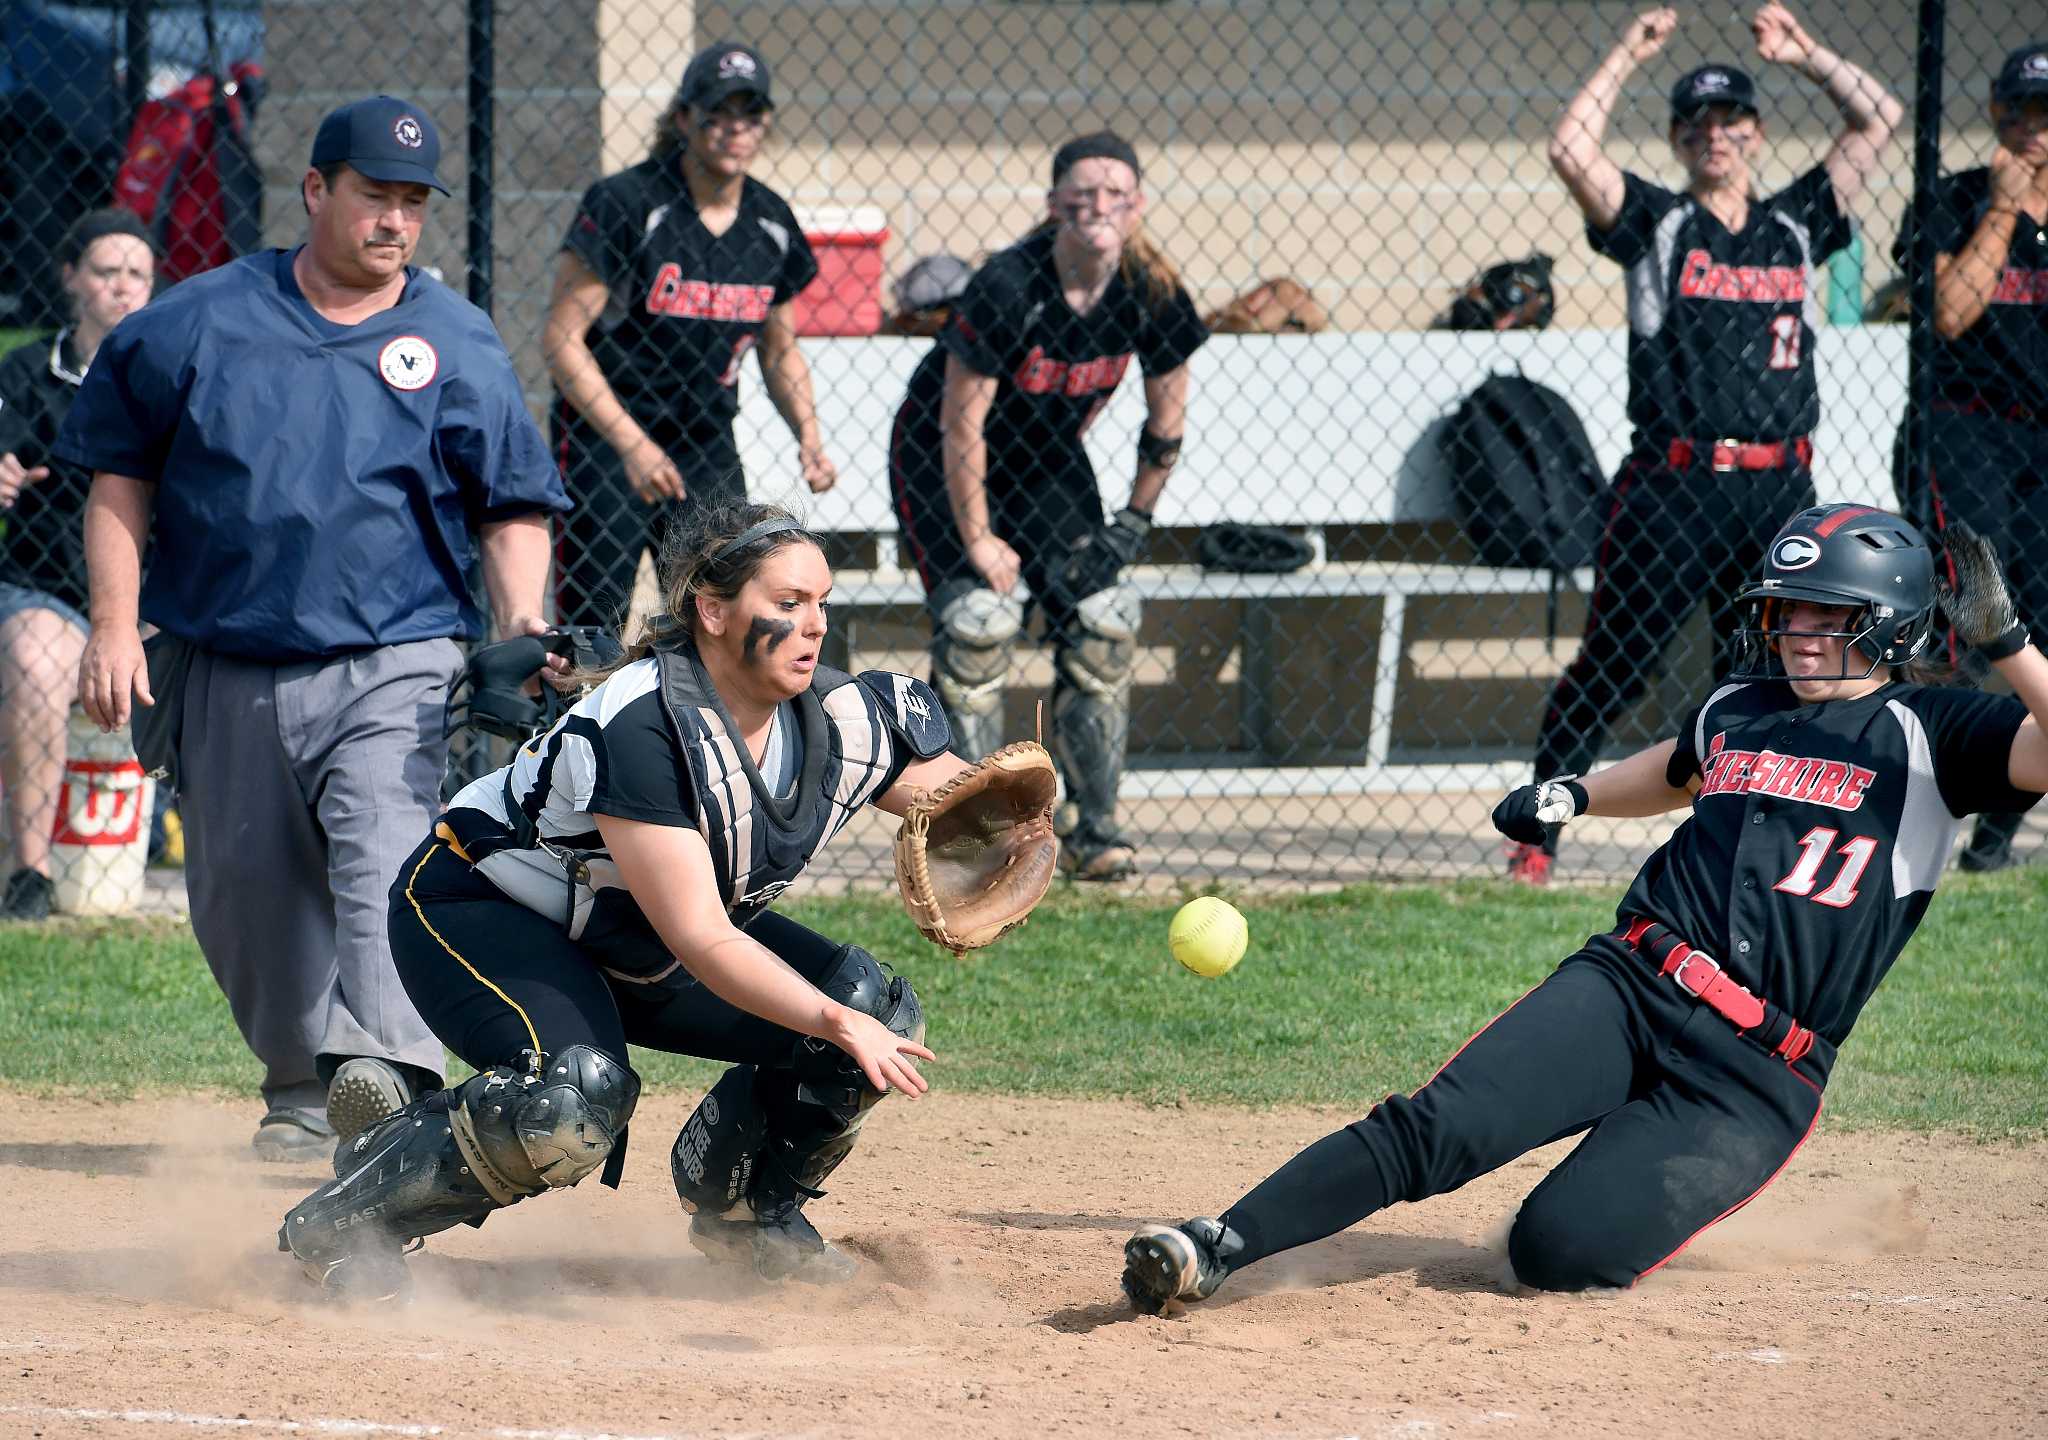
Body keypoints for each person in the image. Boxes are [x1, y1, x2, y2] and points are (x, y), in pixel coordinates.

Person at [1122, 504, 2046, 1310]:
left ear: (1889, 622)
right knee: (1437, 1130)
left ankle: (1606, 1176)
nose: (1799, 628)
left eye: (1828, 611)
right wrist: (1575, 794)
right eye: (1788, 608)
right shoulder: (1741, 703)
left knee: (1555, 1254)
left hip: (1753, 1076)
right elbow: (1677, 769)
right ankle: (1216, 1245)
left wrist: (2008, 645)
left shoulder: (1937, 735)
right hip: (1631, 982)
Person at [276, 502, 963, 1301]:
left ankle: (749, 1217)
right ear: (711, 610)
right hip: (479, 910)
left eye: (822, 604)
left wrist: (1014, 830)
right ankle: (349, 1220)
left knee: (873, 1005)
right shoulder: (644, 723)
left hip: (634, 935)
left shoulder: (844, 721)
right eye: (786, 604)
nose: (813, 626)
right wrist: (833, 1021)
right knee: (573, 1100)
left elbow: (960, 803)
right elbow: (703, 938)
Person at [58, 96, 570, 1162]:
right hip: (229, 654)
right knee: (244, 894)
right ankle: (299, 1084)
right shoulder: (196, 321)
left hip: (399, 654)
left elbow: (511, 501)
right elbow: (120, 477)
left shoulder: (454, 338)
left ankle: (387, 1072)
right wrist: (113, 628)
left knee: (386, 851)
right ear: (315, 191)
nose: (393, 220)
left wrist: (523, 625)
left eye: (412, 203)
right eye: (373, 195)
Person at [1520, 4, 1902, 884]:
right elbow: (1571, 151)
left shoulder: (1800, 218)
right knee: (1615, 662)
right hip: (1672, 483)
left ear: (1756, 134)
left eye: (1731, 121)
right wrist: (1627, 49)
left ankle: (1760, 833)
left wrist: (1803, 52)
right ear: (1680, 141)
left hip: (1777, 490)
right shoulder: (1657, 222)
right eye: (1695, 124)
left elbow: (1879, 116)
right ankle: (1535, 830)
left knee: (1777, 666)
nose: (1714, 135)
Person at [889, 131, 1207, 881]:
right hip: (942, 459)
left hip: (1048, 462)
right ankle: (973, 839)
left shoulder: (1151, 290)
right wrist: (978, 538)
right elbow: (959, 422)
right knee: (978, 626)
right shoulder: (1010, 284)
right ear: (1055, 203)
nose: (1099, 205)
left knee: (1104, 624)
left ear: (1138, 206)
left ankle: (1094, 832)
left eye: (1116, 193)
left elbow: (1166, 424)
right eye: (1082, 193)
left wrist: (1133, 523)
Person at [544, 40, 838, 629]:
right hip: (610, 433)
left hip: (705, 437)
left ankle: (701, 722)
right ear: (684, 118)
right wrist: (632, 445)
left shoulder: (771, 223)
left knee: (718, 611)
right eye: (717, 112)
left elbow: (779, 349)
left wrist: (808, 433)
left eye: (749, 114)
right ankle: (578, 719)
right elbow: (561, 340)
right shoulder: (630, 202)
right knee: (594, 619)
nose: (734, 128)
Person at [1892, 41, 2048, 872]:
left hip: (2044, 447)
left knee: (2045, 644)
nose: (2034, 130)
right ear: (1994, 113)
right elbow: (1950, 313)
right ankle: (1912, 810)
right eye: (2019, 111)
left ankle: (1994, 843)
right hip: (1961, 431)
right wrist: (2003, 209)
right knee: (1963, 616)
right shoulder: (1952, 199)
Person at [0, 209, 154, 921]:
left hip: (158, 600)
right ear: (71, 279)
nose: (122, 288)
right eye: (105, 272)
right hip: (51, 591)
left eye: (137, 275)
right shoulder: (28, 371)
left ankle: (188, 837)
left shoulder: (171, 372)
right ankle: (28, 869)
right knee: (31, 659)